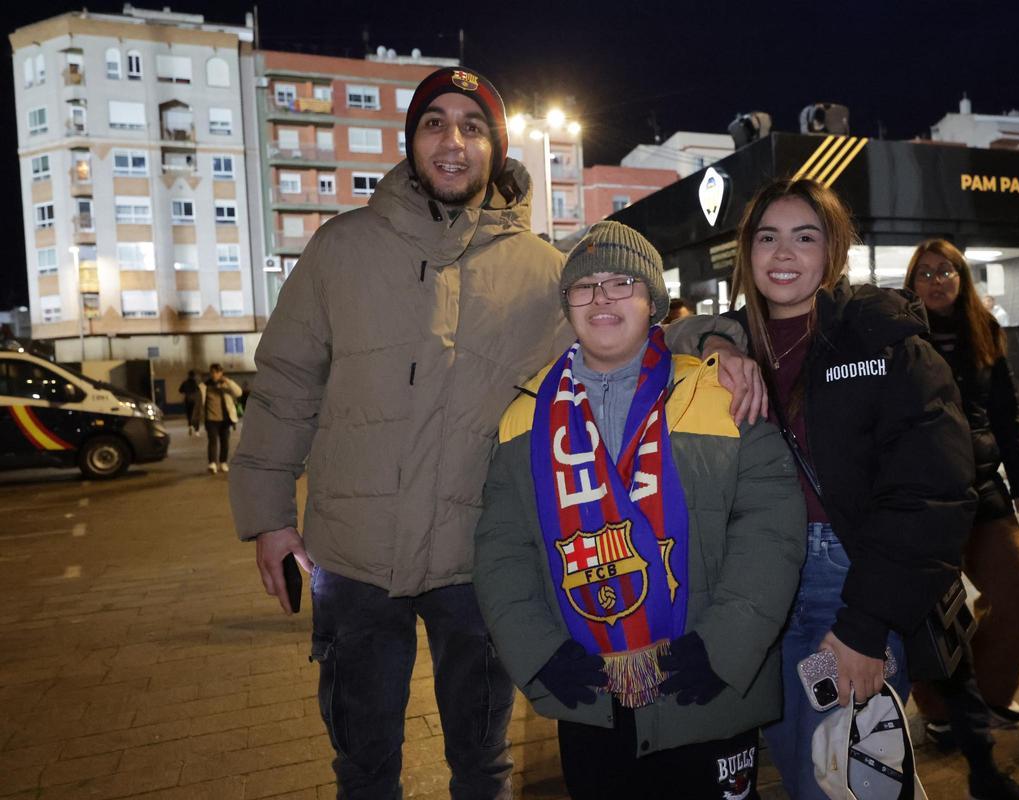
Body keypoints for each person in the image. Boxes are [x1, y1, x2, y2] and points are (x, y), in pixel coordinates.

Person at [228, 67, 758, 799]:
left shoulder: (542, 271)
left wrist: (718, 341)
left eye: (472, 127)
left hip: (475, 564)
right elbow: (286, 383)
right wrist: (267, 517)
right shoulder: (339, 249)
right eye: (434, 123)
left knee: (483, 767)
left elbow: (623, 332)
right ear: (411, 141)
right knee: (363, 768)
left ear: (496, 148)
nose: (453, 141)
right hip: (351, 558)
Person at [473, 221, 805, 800]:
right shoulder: (523, 417)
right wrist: (538, 656)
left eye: (622, 283)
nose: (602, 298)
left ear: (653, 301)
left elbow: (771, 532)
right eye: (585, 286)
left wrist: (724, 648)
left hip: (705, 692)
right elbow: (502, 551)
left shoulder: (720, 395)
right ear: (567, 305)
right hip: (589, 698)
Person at [689, 178, 981, 799]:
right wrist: (710, 341)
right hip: (756, 590)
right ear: (747, 251)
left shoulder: (878, 335)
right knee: (804, 772)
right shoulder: (733, 340)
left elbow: (933, 489)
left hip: (844, 586)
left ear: (834, 251)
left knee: (842, 780)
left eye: (805, 237)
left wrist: (866, 626)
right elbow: (651, 341)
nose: (783, 254)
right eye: (767, 238)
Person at [900, 240, 1019, 799]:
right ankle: (940, 712)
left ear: (962, 278)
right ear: (912, 282)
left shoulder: (986, 331)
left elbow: (1007, 413)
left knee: (1017, 591)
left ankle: (988, 695)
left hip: (984, 490)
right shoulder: (899, 335)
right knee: (930, 615)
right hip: (922, 497)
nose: (937, 280)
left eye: (947, 271)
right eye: (926, 272)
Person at [192, 363, 241, 474]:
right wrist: (194, 420)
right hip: (211, 419)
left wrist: (227, 381)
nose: (215, 374)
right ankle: (212, 463)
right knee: (212, 441)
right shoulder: (204, 386)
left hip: (225, 419)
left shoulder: (226, 385)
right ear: (210, 373)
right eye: (213, 372)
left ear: (221, 373)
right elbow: (198, 405)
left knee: (225, 442)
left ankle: (223, 462)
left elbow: (239, 392)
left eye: (217, 372)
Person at [178, 370, 200, 436]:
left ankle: (190, 426)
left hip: (187, 400)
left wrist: (186, 391)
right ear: (194, 376)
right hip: (195, 401)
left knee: (189, 414)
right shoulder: (195, 383)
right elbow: (199, 390)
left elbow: (180, 390)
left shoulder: (185, 382)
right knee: (196, 415)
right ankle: (196, 430)